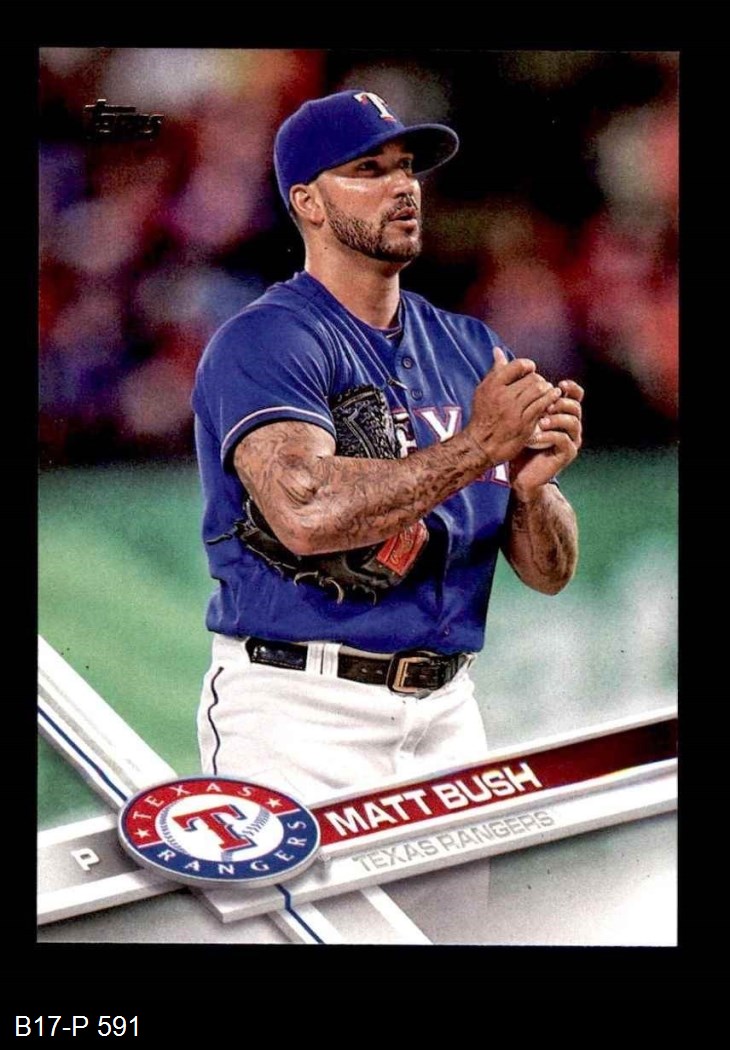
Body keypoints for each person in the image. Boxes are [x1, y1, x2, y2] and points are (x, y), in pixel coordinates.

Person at [192, 89, 583, 805]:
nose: (403, 186)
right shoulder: (266, 340)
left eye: (407, 167)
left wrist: (531, 491)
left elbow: (550, 573)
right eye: (368, 170)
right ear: (308, 202)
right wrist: (478, 446)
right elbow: (304, 516)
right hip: (300, 710)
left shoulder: (470, 347)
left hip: (448, 709)